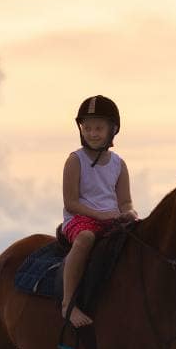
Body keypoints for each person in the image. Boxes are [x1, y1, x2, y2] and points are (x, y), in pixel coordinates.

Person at [61, 95, 137, 327]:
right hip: (80, 219)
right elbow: (70, 202)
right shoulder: (76, 160)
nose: (92, 133)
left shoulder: (119, 164)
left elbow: (125, 202)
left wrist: (130, 213)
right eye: (88, 127)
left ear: (112, 130)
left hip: (113, 220)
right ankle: (68, 305)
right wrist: (102, 215)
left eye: (99, 128)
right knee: (85, 239)